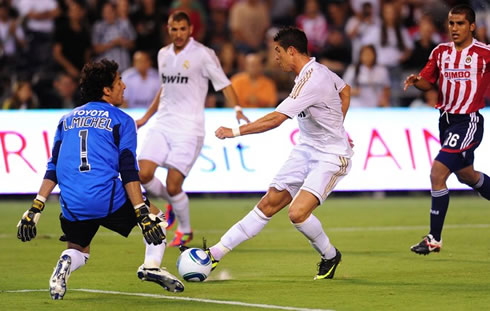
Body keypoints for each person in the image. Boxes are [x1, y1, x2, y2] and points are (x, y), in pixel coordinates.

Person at [16, 59, 184, 300]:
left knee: (79, 251)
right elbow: (128, 170)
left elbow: (53, 167)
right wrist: (141, 212)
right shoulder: (122, 120)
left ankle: (64, 263)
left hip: (72, 201)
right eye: (119, 81)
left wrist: (36, 208)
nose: (124, 87)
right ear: (106, 90)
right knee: (158, 219)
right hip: (106, 197)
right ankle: (151, 266)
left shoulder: (66, 119)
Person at [204, 27, 353, 280]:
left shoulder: (312, 79)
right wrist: (338, 124)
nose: (275, 58)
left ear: (291, 51)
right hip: (306, 149)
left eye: (278, 52)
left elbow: (275, 119)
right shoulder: (316, 73)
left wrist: (234, 131)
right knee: (269, 202)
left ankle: (330, 255)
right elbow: (345, 89)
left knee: (297, 213)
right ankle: (215, 254)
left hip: (331, 155)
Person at [136, 11, 249, 247]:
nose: (178, 34)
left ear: (190, 30)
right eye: (174, 29)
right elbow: (164, 89)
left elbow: (225, 84)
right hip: (163, 123)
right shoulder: (163, 54)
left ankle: (185, 230)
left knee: (174, 184)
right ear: (168, 29)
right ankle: (174, 204)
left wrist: (237, 108)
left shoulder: (203, 55)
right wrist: (146, 117)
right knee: (143, 174)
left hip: (189, 128)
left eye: (182, 29)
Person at [404, 4, 490, 255]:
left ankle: (433, 238)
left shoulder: (484, 53)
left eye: (460, 23)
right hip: (446, 121)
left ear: (472, 26)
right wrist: (416, 81)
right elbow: (427, 81)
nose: (454, 28)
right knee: (467, 176)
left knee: (437, 172)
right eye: (451, 23)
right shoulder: (440, 52)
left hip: (468, 121)